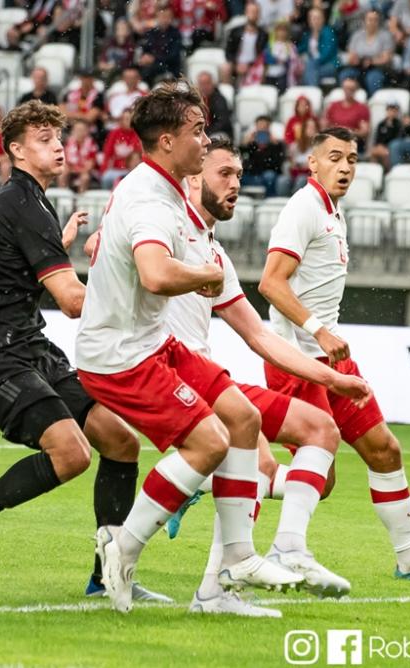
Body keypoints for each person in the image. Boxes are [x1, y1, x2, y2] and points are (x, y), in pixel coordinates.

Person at [76, 80, 304, 614]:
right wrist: (204, 274)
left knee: (243, 418)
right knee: (209, 443)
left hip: (152, 341)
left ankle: (234, 565)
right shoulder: (150, 198)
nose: (206, 141)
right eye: (197, 131)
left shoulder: (165, 186)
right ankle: (123, 546)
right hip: (120, 356)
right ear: (165, 142)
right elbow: (155, 274)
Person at [0, 101, 170, 604]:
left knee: (120, 441)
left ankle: (107, 577)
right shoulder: (24, 203)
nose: (58, 146)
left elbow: (14, 271)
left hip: (27, 345)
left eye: (58, 137)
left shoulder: (13, 199)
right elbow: (73, 301)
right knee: (72, 453)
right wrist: (136, 271)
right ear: (16, 151)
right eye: (43, 139)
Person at [155, 139, 372, 616]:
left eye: (239, 175)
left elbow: (253, 330)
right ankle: (259, 554)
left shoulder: (215, 249)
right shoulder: (163, 224)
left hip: (214, 372)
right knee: (290, 453)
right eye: (224, 174)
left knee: (292, 469)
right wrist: (318, 335)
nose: (235, 184)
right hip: (172, 375)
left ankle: (217, 574)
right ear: (192, 178)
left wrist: (332, 376)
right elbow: (272, 287)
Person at [259, 126, 410, 586]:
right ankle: (219, 487)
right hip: (296, 358)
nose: (345, 167)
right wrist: (317, 331)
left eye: (352, 159)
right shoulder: (303, 208)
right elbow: (271, 283)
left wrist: (325, 337)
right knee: (322, 480)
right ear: (313, 162)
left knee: (385, 450)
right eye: (334, 157)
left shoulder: (333, 212)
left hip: (331, 358)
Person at [341, 10, 395, 95]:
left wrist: (371, 61)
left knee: (373, 79)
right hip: (358, 66)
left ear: (379, 21)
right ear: (364, 21)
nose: (372, 22)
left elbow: (386, 58)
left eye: (375, 20)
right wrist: (357, 60)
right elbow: (351, 56)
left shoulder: (385, 36)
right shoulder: (357, 35)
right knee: (345, 75)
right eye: (370, 19)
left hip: (377, 68)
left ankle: (373, 100)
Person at [240, 115, 288, 196]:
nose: (262, 130)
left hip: (269, 177)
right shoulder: (251, 145)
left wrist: (275, 145)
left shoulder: (276, 145)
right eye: (259, 127)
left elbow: (277, 164)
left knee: (269, 176)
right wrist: (245, 144)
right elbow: (241, 159)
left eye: (264, 127)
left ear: (269, 128)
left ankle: (270, 199)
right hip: (253, 176)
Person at [222, 1, 267, 85]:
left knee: (263, 69)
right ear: (246, 13)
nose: (253, 15)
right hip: (236, 64)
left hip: (254, 65)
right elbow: (228, 52)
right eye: (251, 12)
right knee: (225, 67)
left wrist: (250, 65)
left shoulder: (263, 34)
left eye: (256, 12)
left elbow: (262, 55)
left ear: (259, 15)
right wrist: (236, 64)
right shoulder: (236, 31)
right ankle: (227, 90)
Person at [100, 108, 143, 189]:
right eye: (126, 119)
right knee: (106, 178)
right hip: (116, 169)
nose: (128, 122)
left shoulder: (138, 135)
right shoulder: (114, 134)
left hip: (132, 170)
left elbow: (140, 155)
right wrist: (103, 170)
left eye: (130, 119)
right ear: (121, 120)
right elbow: (107, 154)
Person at [323, 77, 370, 151]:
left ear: (356, 90)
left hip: (352, 143)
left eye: (351, 89)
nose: (348, 91)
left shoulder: (362, 108)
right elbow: (324, 125)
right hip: (333, 141)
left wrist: (348, 132)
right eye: (346, 88)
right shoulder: (333, 106)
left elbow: (364, 131)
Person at [298, 7, 339, 86]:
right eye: (312, 18)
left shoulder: (328, 32)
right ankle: (312, 91)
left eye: (318, 18)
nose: (315, 20)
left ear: (323, 19)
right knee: (308, 72)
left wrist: (312, 62)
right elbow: (301, 48)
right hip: (314, 66)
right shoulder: (308, 34)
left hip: (330, 64)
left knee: (308, 71)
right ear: (309, 20)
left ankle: (311, 92)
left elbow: (327, 54)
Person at [60, 118, 99, 193]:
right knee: (62, 174)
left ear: (87, 131)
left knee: (85, 177)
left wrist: (78, 170)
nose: (79, 132)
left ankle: (80, 197)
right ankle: (63, 196)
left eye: (82, 130)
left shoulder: (91, 144)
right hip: (72, 169)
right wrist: (71, 169)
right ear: (73, 131)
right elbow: (65, 161)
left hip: (86, 171)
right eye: (77, 130)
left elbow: (90, 164)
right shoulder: (69, 143)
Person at [370, 101, 406, 169]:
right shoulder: (381, 124)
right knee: (374, 151)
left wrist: (386, 147)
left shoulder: (398, 125)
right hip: (381, 147)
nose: (392, 113)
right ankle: (375, 170)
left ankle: (388, 170)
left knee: (386, 153)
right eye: (390, 110)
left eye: (394, 111)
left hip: (390, 148)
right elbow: (377, 138)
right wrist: (379, 146)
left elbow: (397, 139)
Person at [197, 71, 231, 138]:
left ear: (213, 84)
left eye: (207, 83)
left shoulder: (220, 100)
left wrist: (207, 132)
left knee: (216, 138)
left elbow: (222, 122)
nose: (204, 87)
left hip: (218, 132)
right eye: (202, 84)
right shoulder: (196, 100)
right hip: (201, 133)